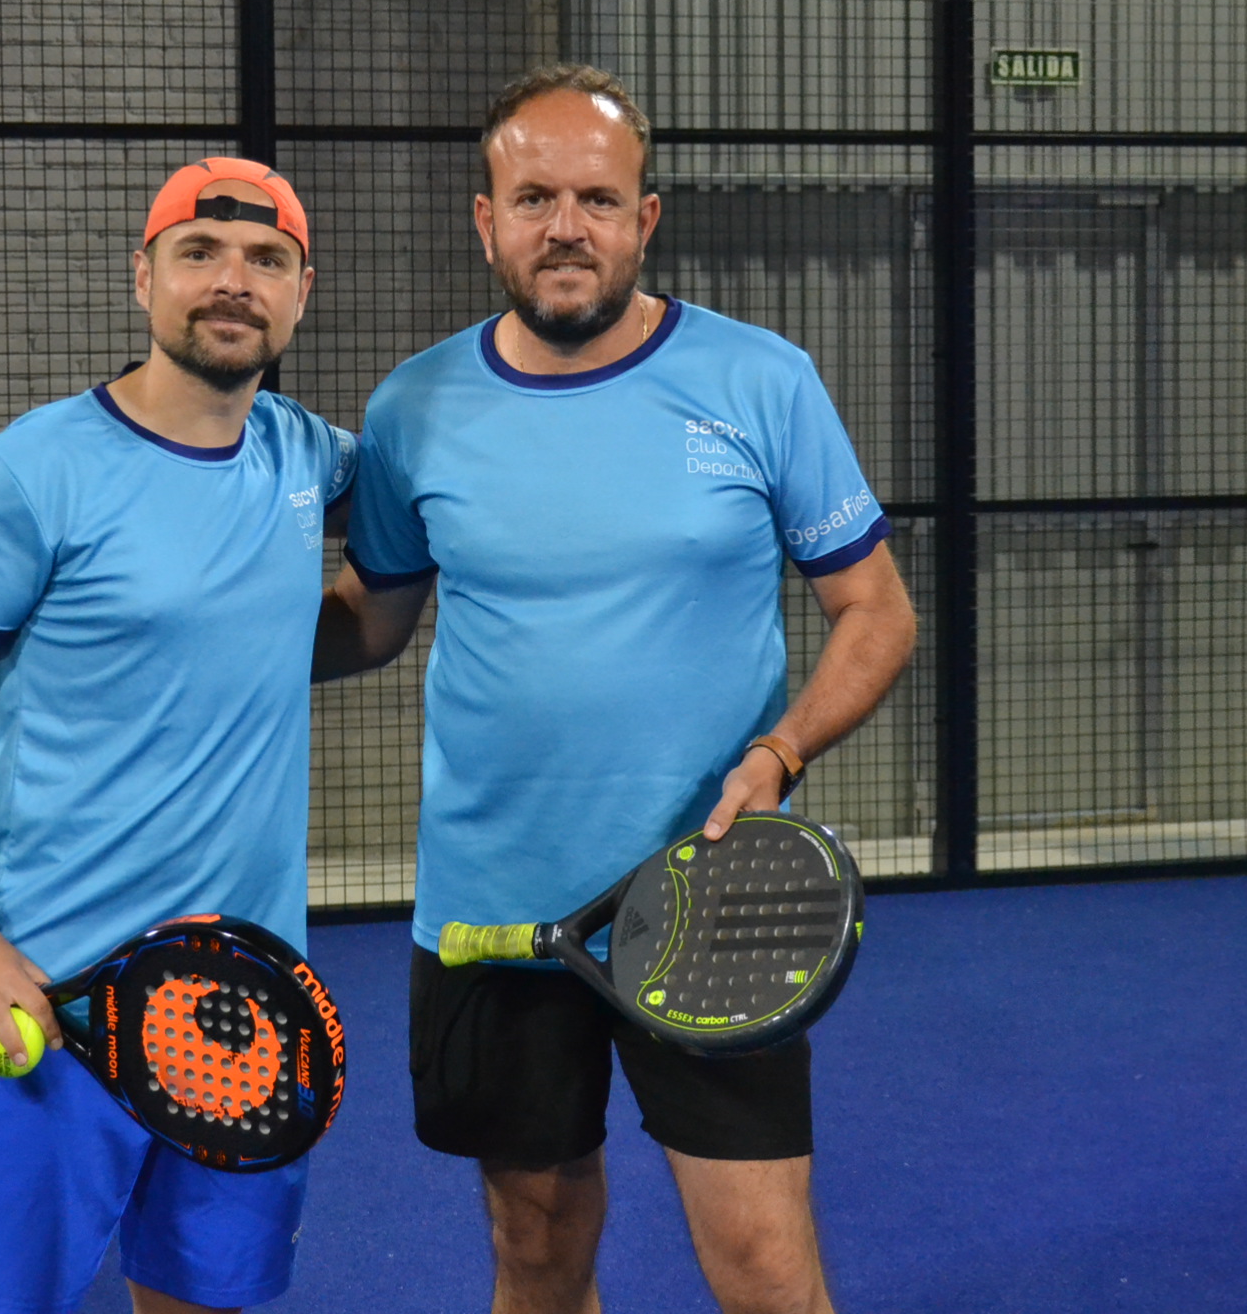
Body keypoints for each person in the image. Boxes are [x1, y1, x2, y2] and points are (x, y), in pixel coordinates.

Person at [314, 66, 916, 1314]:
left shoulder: (761, 381)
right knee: (535, 1250)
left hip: (711, 896)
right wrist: (197, 627)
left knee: (764, 1266)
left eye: (597, 199)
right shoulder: (413, 408)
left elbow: (878, 612)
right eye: (533, 198)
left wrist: (782, 753)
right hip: (494, 911)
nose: (565, 227)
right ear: (486, 221)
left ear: (646, 219)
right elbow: (370, 622)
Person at [0, 158, 354, 1314]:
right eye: (200, 254)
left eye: (266, 260)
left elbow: (417, 527)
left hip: (241, 1003)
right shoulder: (35, 473)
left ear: (300, 294)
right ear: (145, 278)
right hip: (49, 993)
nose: (232, 282)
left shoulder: (306, 457)